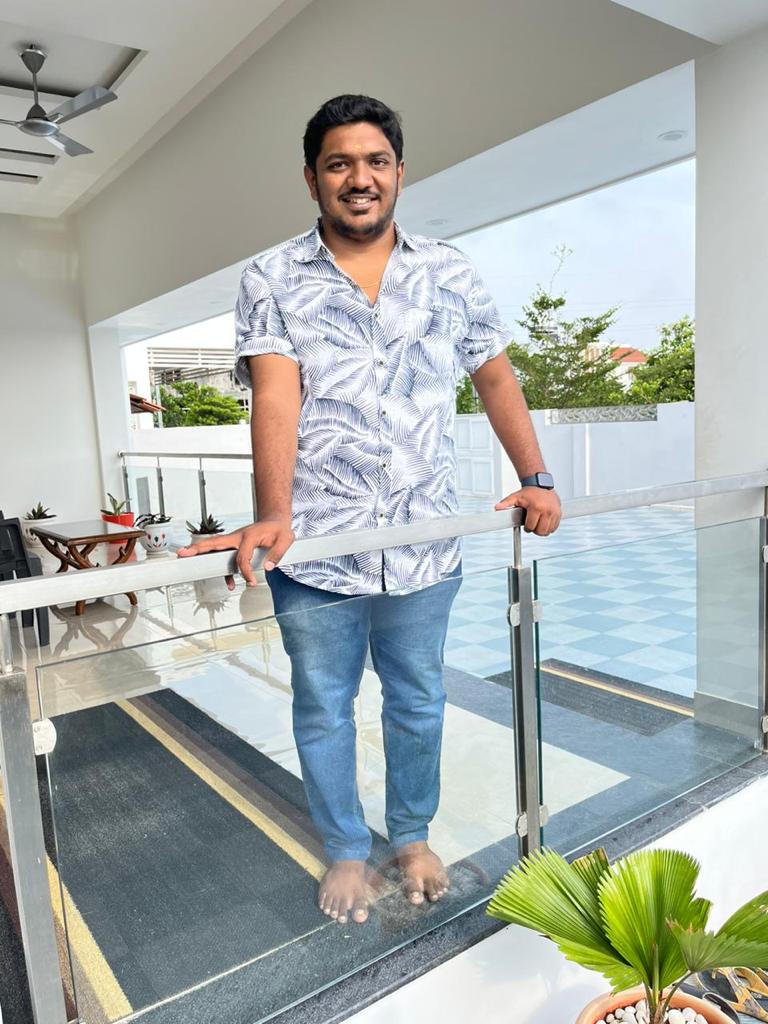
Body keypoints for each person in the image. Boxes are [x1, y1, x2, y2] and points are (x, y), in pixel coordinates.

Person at [178, 94, 561, 926]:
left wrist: (536, 475)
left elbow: (495, 375)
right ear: (312, 178)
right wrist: (273, 512)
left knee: (418, 701)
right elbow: (275, 395)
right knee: (324, 706)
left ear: (399, 171)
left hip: (425, 547)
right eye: (340, 163)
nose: (360, 178)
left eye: (376, 161)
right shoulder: (272, 277)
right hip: (318, 552)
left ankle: (412, 835)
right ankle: (347, 847)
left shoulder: (449, 271)